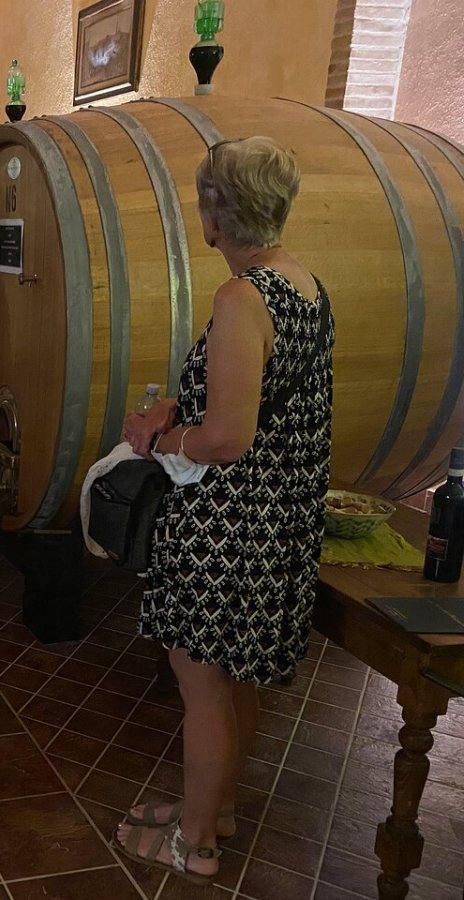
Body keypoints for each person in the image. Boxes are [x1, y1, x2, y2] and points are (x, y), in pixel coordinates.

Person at [116, 137, 333, 884]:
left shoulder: (240, 297)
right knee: (231, 683)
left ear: (216, 213)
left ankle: (196, 845)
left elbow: (229, 437)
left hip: (227, 531)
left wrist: (160, 433)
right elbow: (260, 398)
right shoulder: (302, 283)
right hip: (275, 525)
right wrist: (186, 400)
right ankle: (216, 809)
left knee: (201, 688)